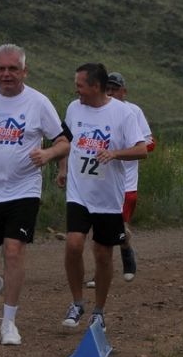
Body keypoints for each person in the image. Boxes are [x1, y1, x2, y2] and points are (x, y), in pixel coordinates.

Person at [0, 44, 68, 346]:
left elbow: (63, 141)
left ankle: (9, 322)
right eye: (2, 69)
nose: (7, 75)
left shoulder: (38, 102)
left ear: (24, 71)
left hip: (24, 189)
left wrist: (48, 154)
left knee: (14, 250)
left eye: (13, 69)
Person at [57, 63, 147, 331]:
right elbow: (65, 140)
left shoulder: (123, 114)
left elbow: (142, 150)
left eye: (80, 85)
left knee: (103, 254)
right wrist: (62, 168)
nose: (77, 90)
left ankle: (98, 310)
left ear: (96, 86)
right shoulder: (74, 108)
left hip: (108, 195)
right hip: (79, 191)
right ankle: (77, 302)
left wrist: (115, 154)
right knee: (73, 244)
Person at [86, 72, 154, 285]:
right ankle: (100, 274)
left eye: (115, 89)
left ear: (124, 91)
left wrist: (123, 150)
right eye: (108, 89)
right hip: (99, 181)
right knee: (98, 232)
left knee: (118, 230)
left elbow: (149, 143)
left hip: (126, 184)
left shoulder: (132, 112)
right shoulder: (94, 110)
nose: (111, 93)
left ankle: (126, 249)